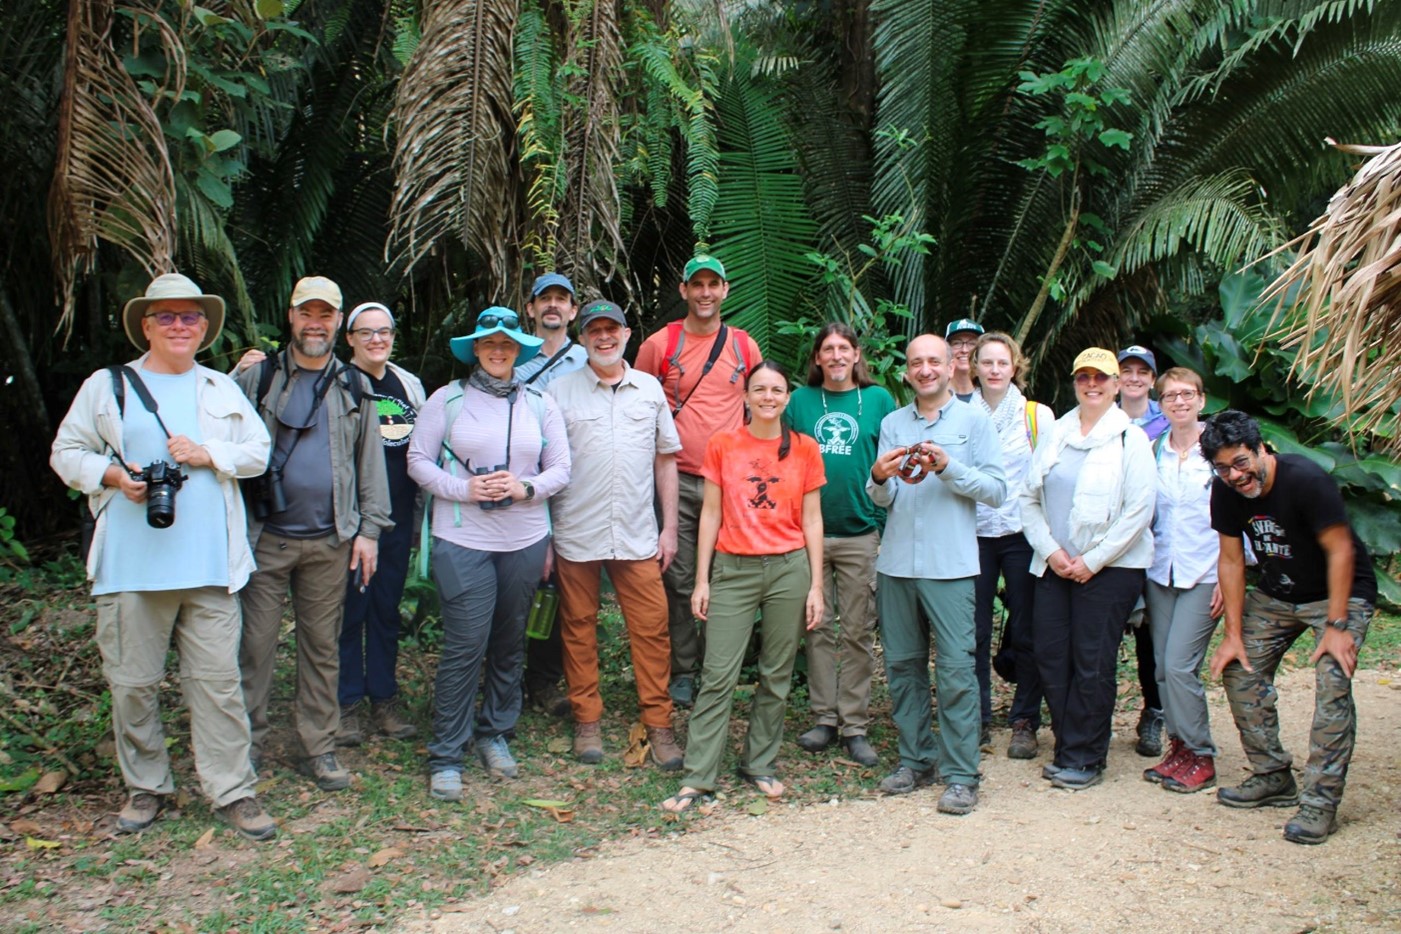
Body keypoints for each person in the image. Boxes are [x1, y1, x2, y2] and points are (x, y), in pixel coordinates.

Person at [51, 272, 276, 840]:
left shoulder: (220, 389)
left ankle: (232, 790)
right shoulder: (109, 386)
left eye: (190, 317)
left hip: (208, 566)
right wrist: (110, 475)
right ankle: (146, 787)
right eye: (167, 317)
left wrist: (207, 453)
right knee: (132, 684)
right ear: (146, 326)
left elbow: (257, 453)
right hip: (130, 566)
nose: (180, 326)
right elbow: (65, 450)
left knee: (218, 685)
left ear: (204, 328)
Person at [234, 276, 391, 792]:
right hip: (266, 538)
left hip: (331, 539)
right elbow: (217, 431)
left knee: (322, 646)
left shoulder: (353, 384)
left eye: (326, 315)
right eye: (307, 314)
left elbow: (370, 462)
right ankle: (246, 747)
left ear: (337, 322)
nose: (316, 323)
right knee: (254, 646)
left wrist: (369, 530)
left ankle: (319, 745)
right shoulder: (259, 381)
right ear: (291, 316)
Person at [407, 307, 570, 802]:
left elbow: (561, 468)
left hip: (523, 539)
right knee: (464, 644)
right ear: (475, 349)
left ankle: (495, 732)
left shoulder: (540, 403)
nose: (498, 351)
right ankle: (447, 754)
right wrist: (465, 488)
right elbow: (417, 460)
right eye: (488, 343)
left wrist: (525, 488)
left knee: (508, 639)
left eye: (507, 344)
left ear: (518, 351)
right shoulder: (448, 400)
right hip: (464, 540)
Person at [1204, 410, 1376, 845]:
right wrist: (1233, 636)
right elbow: (1231, 559)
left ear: (1261, 449)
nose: (1234, 475)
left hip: (1340, 592)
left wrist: (1337, 624)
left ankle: (1320, 801)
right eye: (1222, 468)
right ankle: (1272, 774)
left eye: (1241, 462)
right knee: (1239, 669)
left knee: (1332, 682)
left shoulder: (1305, 480)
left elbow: (1341, 552)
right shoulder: (1225, 491)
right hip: (1279, 592)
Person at [660, 362, 825, 814]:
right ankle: (698, 776)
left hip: (789, 569)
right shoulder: (723, 444)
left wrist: (815, 585)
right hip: (734, 568)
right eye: (760, 390)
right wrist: (701, 579)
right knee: (717, 675)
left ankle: (759, 762)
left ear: (787, 398)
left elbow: (812, 519)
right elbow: (709, 514)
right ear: (746, 397)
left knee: (776, 674)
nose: (769, 397)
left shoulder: (805, 449)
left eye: (777, 390)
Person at [866, 334, 1007, 815]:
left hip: (951, 566)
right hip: (897, 564)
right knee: (903, 667)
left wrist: (949, 468)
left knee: (955, 672)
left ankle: (962, 774)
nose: (924, 369)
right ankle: (916, 759)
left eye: (934, 361)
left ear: (952, 367)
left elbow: (996, 490)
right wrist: (880, 479)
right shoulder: (891, 423)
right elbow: (882, 498)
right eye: (915, 363)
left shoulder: (975, 421)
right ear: (906, 372)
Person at [547, 300, 686, 768]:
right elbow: (544, 466)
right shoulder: (559, 392)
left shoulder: (648, 390)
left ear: (627, 334)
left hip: (637, 534)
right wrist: (545, 534)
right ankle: (587, 719)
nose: (603, 337)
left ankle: (659, 723)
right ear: (582, 338)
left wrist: (670, 527)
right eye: (594, 331)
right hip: (575, 531)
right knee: (578, 628)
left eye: (612, 329)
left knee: (651, 629)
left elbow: (666, 458)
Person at [1021, 347, 1155, 791]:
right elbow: (1029, 499)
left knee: (1091, 660)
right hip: (1055, 564)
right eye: (1084, 378)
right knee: (1051, 656)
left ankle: (1086, 756)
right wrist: (1054, 552)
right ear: (1074, 382)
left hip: (1111, 568)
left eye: (1102, 378)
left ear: (1117, 387)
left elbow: (1139, 510)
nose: (1092, 385)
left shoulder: (1129, 438)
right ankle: (1067, 744)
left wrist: (1093, 559)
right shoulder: (1055, 434)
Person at [635, 255, 761, 708]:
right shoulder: (660, 344)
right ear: (684, 290)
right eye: (697, 284)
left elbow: (758, 411)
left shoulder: (745, 347)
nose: (705, 292)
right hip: (676, 480)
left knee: (728, 578)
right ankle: (684, 671)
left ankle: (720, 668)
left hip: (729, 485)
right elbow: (638, 407)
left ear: (725, 289)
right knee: (681, 578)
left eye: (714, 283)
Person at [784, 323, 896, 767]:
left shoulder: (881, 400)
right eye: (827, 349)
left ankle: (855, 724)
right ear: (816, 358)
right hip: (807, 535)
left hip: (860, 532)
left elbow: (892, 463)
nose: (835, 356)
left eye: (843, 348)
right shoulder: (800, 402)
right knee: (817, 628)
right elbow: (785, 464)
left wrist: (883, 525)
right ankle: (823, 718)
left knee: (857, 632)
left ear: (856, 355)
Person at [334, 302, 425, 745]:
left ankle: (384, 698)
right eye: (366, 332)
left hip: (398, 516)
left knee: (386, 610)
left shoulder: (407, 384)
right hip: (352, 520)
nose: (376, 340)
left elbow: (420, 451)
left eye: (384, 332)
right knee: (351, 611)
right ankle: (346, 703)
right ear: (348, 338)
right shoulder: (337, 383)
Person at [970, 332, 1054, 758]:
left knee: (1027, 629)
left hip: (1023, 534)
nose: (995, 370)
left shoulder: (1036, 416)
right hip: (974, 534)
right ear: (975, 367)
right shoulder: (961, 412)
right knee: (975, 631)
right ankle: (977, 717)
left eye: (1002, 363)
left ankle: (1024, 719)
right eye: (987, 363)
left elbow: (1050, 478)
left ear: (1015, 366)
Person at [1141, 367, 1222, 793]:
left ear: (1201, 400)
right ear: (1161, 404)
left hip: (1205, 572)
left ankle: (1201, 753)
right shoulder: (1155, 450)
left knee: (1179, 666)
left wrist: (1231, 578)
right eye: (1170, 396)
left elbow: (1239, 517)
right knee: (1161, 668)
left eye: (1187, 394)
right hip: (1161, 571)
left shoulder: (1220, 450)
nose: (1179, 402)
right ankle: (1180, 749)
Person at [514, 273, 589, 718]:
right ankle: (504, 677)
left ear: (573, 311)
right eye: (545, 299)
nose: (553, 307)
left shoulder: (587, 358)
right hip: (522, 486)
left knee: (558, 588)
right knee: (516, 583)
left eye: (562, 300)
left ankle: (542, 681)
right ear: (531, 308)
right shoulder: (513, 355)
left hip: (572, 486)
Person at [1116, 344, 1170, 758]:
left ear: (1152, 379)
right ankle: (1091, 716)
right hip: (1109, 546)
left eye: (1142, 372)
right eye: (1126, 370)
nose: (1133, 378)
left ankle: (1154, 713)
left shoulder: (1170, 422)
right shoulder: (1097, 416)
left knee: (1152, 639)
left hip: (1155, 546)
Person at [945, 319, 983, 402]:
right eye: (957, 343)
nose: (964, 350)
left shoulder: (991, 393)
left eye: (972, 343)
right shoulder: (935, 394)